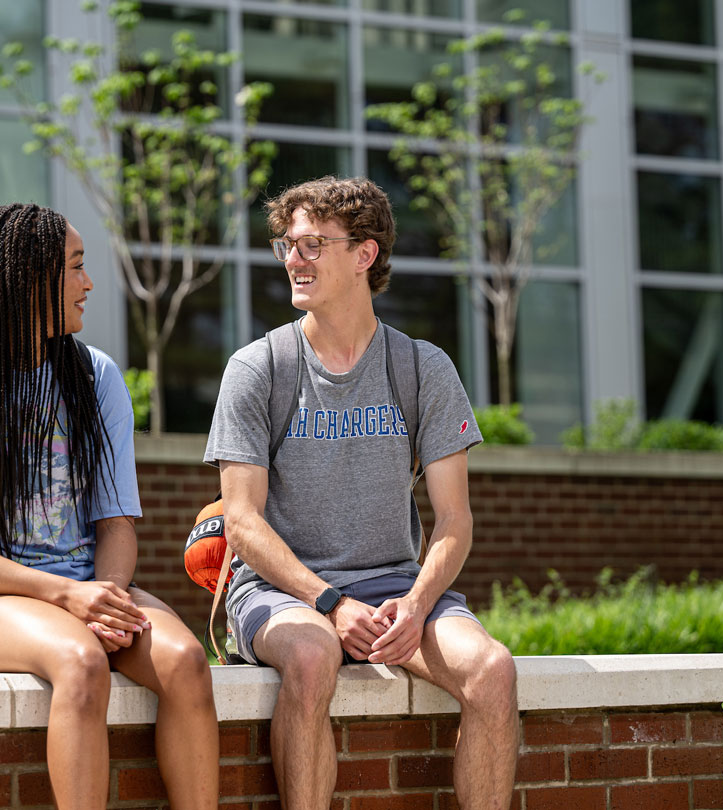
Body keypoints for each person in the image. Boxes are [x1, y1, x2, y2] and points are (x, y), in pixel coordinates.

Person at [0, 203, 217, 810]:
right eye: (75, 267)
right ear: (26, 277)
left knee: (187, 660)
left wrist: (106, 596)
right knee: (80, 661)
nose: (88, 283)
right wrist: (67, 599)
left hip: (86, 587)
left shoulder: (95, 377)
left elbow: (114, 524)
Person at [204, 176, 518, 810]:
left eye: (313, 244)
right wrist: (329, 600)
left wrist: (419, 601)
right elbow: (241, 521)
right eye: (287, 245)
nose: (293, 260)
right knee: (314, 658)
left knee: (493, 671)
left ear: (365, 254)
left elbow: (454, 519)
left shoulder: (422, 367)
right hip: (283, 592)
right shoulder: (258, 368)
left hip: (395, 589)